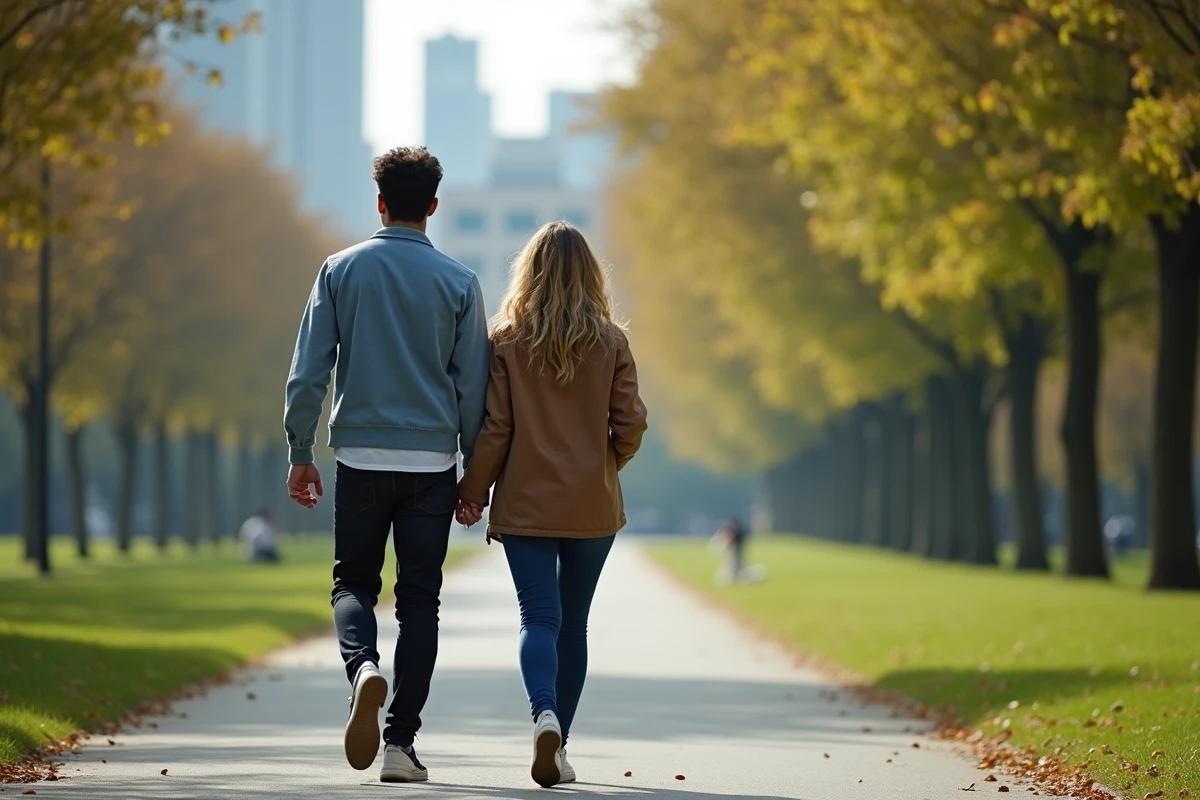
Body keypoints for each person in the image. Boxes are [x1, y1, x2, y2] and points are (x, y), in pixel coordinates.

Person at [283, 147, 489, 783]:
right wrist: (474, 474)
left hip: (361, 458)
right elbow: (474, 387)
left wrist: (300, 451)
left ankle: (362, 669)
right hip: (430, 460)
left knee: (353, 586)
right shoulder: (459, 282)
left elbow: (308, 372)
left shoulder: (339, 270)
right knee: (420, 603)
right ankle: (400, 745)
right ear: (433, 205)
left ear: (379, 202)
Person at [456, 221, 649, 788]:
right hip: (592, 505)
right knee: (575, 625)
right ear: (591, 275)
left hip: (526, 504)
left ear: (529, 274)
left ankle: (541, 712)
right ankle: (560, 737)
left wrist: (472, 492)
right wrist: (606, 462)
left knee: (538, 617)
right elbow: (632, 424)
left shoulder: (507, 341)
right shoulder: (612, 341)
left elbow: (496, 428)